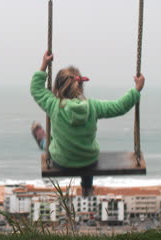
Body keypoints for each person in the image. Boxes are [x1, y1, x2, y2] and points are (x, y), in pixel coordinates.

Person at [30, 51, 145, 197]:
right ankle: (86, 187)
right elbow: (120, 107)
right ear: (80, 86)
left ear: (57, 88)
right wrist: (136, 90)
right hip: (88, 160)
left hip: (61, 161)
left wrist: (44, 65)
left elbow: (36, 89)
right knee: (85, 156)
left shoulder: (53, 105)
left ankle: (41, 140)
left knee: (48, 144)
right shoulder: (93, 107)